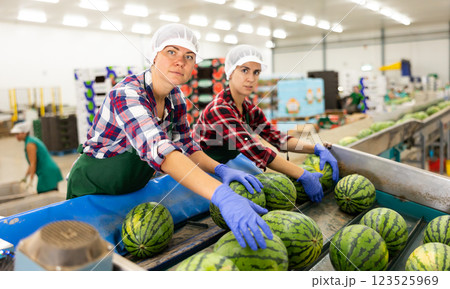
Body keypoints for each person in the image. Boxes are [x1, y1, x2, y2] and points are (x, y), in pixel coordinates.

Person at [66, 24, 272, 251]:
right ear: (154, 55)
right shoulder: (127, 93)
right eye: (171, 52)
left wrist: (220, 169)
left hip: (131, 189)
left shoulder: (176, 99)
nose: (180, 61)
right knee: (86, 257)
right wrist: (220, 194)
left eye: (189, 56)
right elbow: (159, 149)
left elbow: (187, 147)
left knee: (133, 248)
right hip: (92, 189)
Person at [193, 44, 339, 204]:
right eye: (244, 70)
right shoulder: (219, 109)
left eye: (256, 72)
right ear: (230, 72)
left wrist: (316, 148)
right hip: (201, 177)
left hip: (227, 172)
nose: (251, 78)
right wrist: (302, 174)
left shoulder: (247, 108)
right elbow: (257, 152)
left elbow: (278, 139)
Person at [10, 121, 63, 194]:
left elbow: (33, 163)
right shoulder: (30, 140)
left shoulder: (30, 144)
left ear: (24, 133)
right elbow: (31, 163)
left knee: (44, 194)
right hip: (48, 171)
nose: (16, 136)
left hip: (47, 172)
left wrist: (31, 181)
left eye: (17, 134)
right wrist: (25, 177)